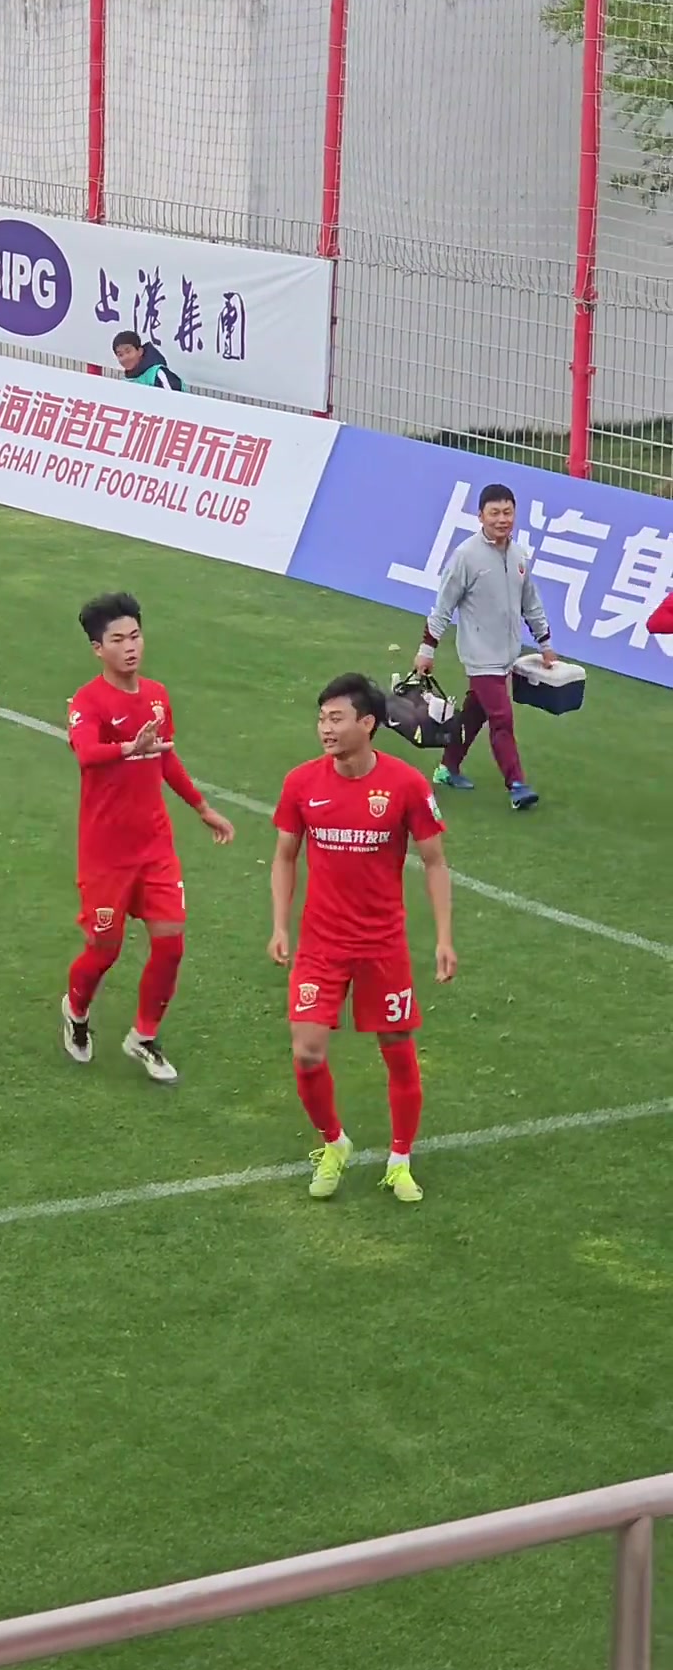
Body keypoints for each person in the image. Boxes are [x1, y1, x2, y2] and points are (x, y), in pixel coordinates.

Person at [269, 673, 455, 1205]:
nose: (325, 729)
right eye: (321, 719)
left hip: (382, 945)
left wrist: (444, 937)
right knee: (307, 1052)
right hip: (321, 944)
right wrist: (280, 924)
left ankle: (400, 1160)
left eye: (336, 718)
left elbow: (435, 862)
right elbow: (284, 856)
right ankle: (334, 1143)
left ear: (367, 723)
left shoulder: (406, 785)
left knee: (397, 1050)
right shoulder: (301, 783)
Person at [63, 592, 234, 1082]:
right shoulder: (88, 702)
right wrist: (127, 747)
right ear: (98, 649)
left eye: (135, 636)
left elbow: (166, 756)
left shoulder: (157, 695)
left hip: (155, 846)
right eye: (117, 640)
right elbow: (87, 755)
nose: (130, 647)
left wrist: (202, 808)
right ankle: (76, 1012)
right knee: (105, 949)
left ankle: (143, 1037)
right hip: (106, 853)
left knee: (171, 945)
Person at [414, 483, 555, 810]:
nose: (502, 519)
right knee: (501, 718)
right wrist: (427, 649)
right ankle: (516, 784)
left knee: (474, 713)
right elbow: (443, 606)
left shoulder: (519, 555)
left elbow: (531, 603)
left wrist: (545, 643)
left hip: (506, 655)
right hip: (479, 656)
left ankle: (447, 768)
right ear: (480, 516)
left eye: (507, 512)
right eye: (494, 513)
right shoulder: (466, 556)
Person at [112, 330, 185, 392]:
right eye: (120, 355)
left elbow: (176, 399)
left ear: (140, 351)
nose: (125, 358)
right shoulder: (125, 381)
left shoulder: (158, 374)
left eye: (128, 351)